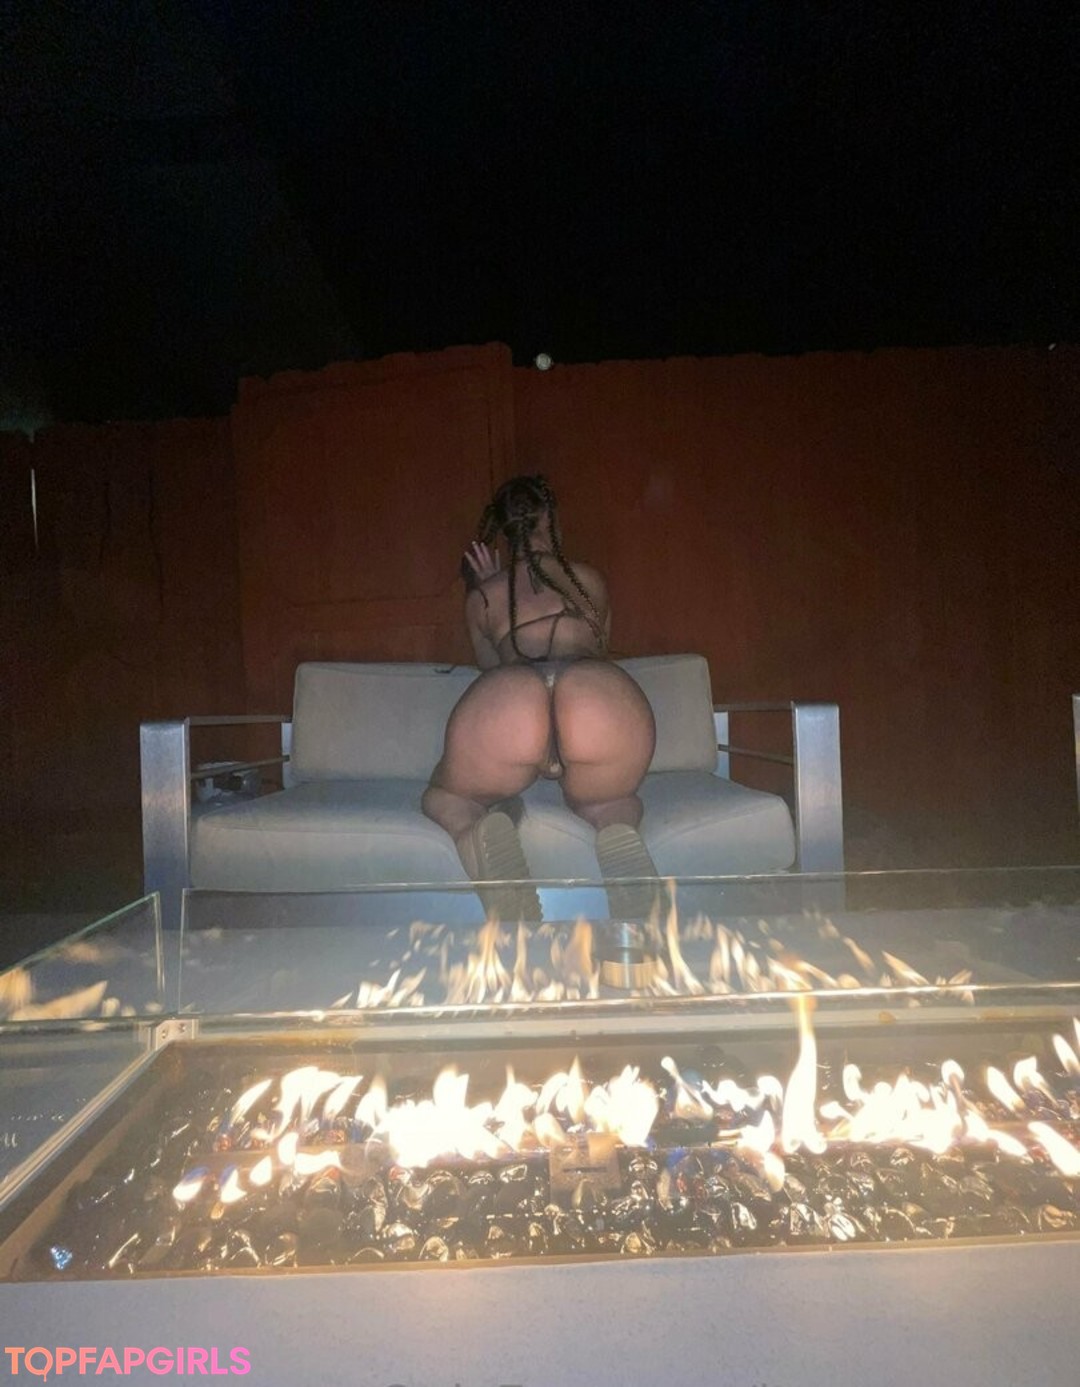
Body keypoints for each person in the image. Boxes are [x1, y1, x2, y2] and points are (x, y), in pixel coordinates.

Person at [422, 474, 659, 921]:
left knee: (446, 798)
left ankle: (478, 835)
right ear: (551, 521)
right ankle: (616, 827)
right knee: (610, 800)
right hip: (594, 696)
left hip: (514, 700)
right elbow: (599, 649)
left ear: (505, 531)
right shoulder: (588, 580)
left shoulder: (484, 598)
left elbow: (493, 669)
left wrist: (488, 585)